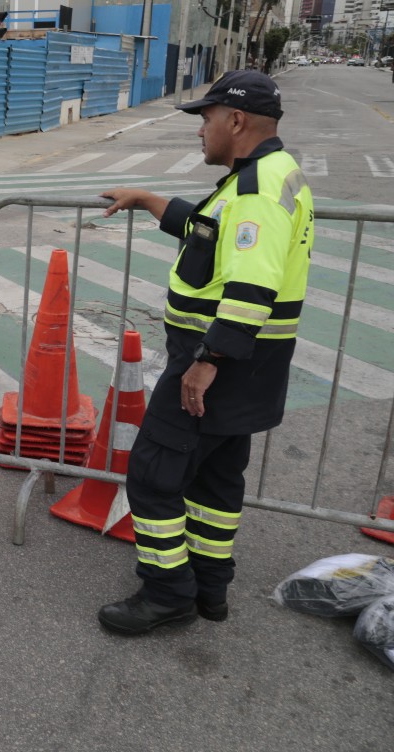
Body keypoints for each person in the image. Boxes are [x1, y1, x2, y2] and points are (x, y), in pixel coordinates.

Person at [97, 69, 313, 635]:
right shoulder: (271, 174)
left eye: (207, 117)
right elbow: (209, 234)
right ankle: (210, 588)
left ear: (236, 121)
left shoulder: (256, 191)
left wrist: (206, 362)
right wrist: (148, 199)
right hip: (253, 362)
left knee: (151, 474)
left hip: (218, 362)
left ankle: (168, 592)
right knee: (216, 480)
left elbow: (251, 285)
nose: (200, 129)